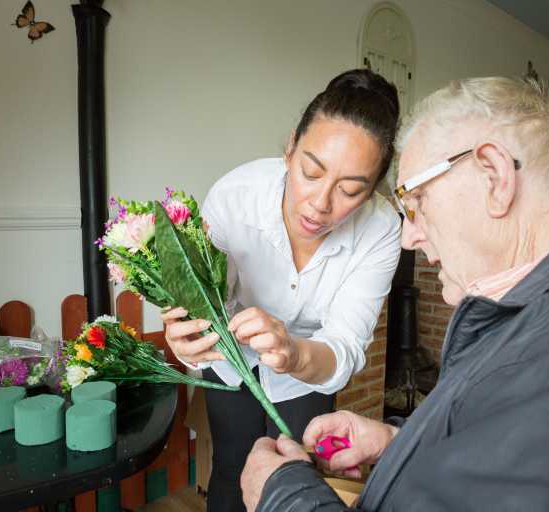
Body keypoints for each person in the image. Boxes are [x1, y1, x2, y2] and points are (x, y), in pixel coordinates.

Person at [241, 77, 549, 511]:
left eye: (415, 203)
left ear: (494, 176)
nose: (408, 237)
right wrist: (398, 443)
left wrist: (282, 495)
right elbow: (504, 456)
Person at [162, 69, 402, 512]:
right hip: (231, 356)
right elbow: (205, 302)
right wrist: (188, 337)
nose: (320, 204)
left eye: (351, 190)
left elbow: (344, 344)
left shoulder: (382, 229)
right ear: (291, 148)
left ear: (372, 191)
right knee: (233, 466)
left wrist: (292, 354)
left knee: (298, 472)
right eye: (311, 172)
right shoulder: (236, 196)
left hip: (309, 362)